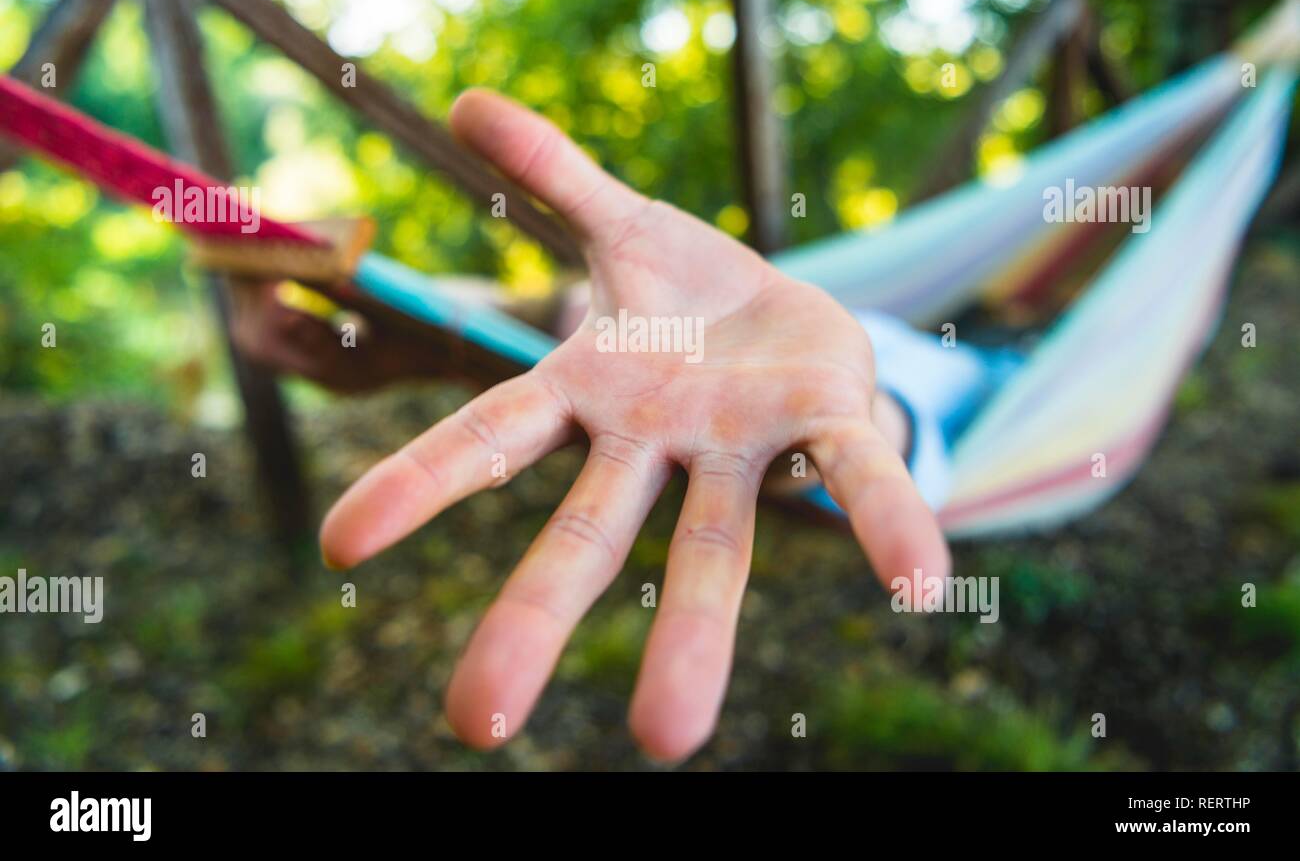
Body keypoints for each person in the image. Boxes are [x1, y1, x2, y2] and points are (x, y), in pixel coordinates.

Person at [229, 89, 1016, 762]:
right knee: (601, 325)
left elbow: (897, 441)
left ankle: (432, 328)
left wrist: (807, 443)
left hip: (889, 400)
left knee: (854, 410)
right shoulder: (810, 316)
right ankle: (421, 320)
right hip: (785, 353)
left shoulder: (987, 374)